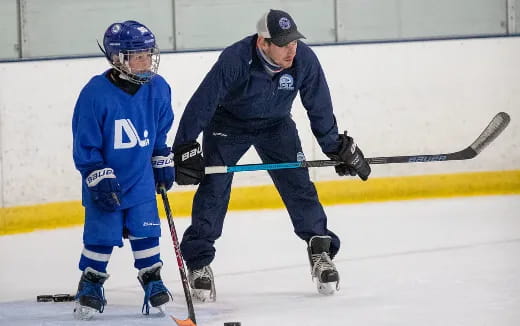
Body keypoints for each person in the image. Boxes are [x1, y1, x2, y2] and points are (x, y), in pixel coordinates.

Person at [172, 9, 371, 300]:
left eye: (294, 41)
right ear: (263, 42)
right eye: (283, 43)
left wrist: (335, 147)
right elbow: (203, 101)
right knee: (214, 187)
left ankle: (320, 250)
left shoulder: (303, 59)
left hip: (276, 126)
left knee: (298, 184)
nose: (292, 49)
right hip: (227, 125)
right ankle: (199, 262)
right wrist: (185, 145)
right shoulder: (236, 59)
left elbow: (319, 105)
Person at [71, 20, 175, 319]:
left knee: (146, 231)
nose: (145, 62)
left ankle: (152, 279)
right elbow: (85, 142)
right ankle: (90, 282)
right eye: (137, 56)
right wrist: (96, 173)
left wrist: (160, 157)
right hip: (105, 179)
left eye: (147, 54)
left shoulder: (159, 88)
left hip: (140, 178)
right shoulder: (95, 93)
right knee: (101, 235)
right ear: (118, 58)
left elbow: (159, 133)